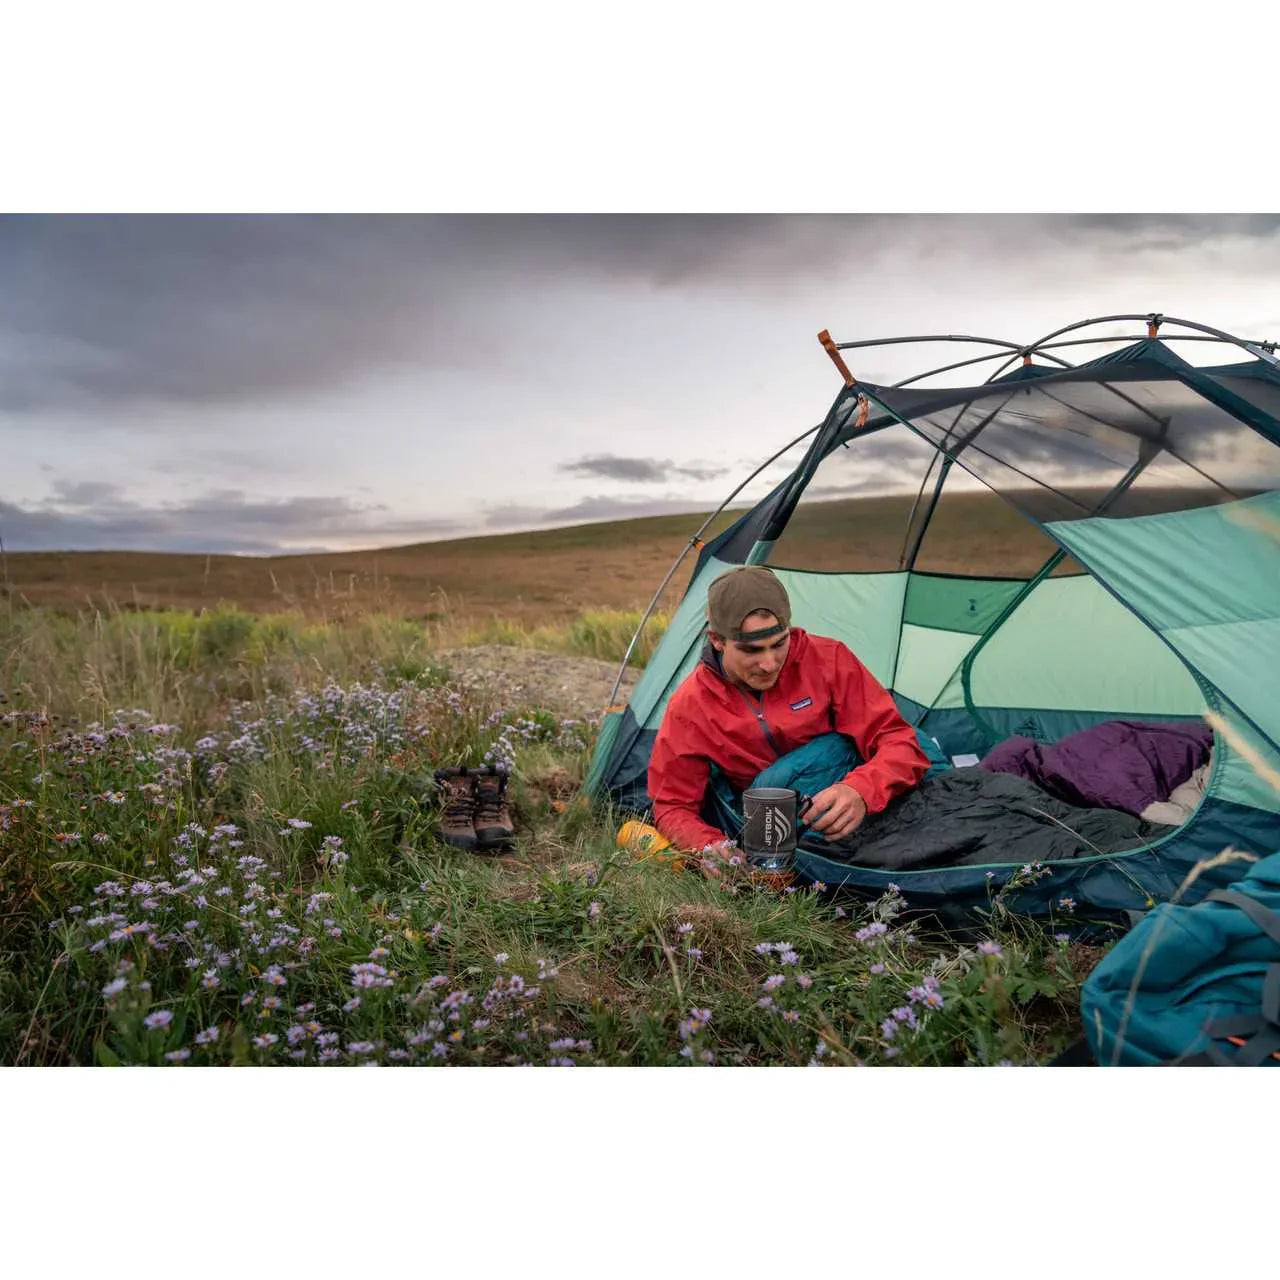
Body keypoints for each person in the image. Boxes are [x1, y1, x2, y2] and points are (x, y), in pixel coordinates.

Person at [647, 564, 929, 854]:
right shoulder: (691, 705)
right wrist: (710, 845)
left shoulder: (828, 659)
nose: (769, 663)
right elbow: (672, 806)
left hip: (865, 788)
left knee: (923, 751)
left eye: (779, 643)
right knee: (771, 787)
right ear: (717, 641)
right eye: (751, 650)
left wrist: (860, 791)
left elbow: (901, 743)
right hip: (780, 820)